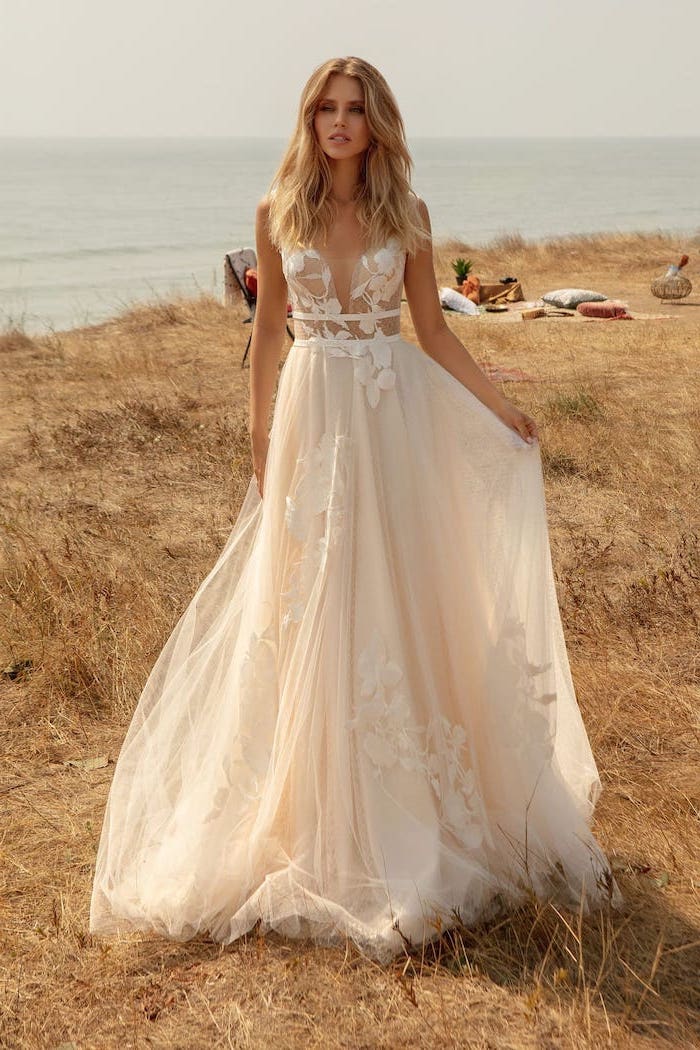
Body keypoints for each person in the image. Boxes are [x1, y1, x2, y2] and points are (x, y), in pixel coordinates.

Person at [89, 56, 623, 962]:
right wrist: (262, 450)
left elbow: (435, 329)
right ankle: (308, 802)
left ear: (376, 123)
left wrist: (501, 409)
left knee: (401, 597)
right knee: (307, 604)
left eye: (354, 109)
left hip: (389, 426)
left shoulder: (405, 217)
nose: (339, 123)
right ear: (310, 120)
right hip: (311, 419)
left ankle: (409, 809)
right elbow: (267, 337)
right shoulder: (275, 214)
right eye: (325, 109)